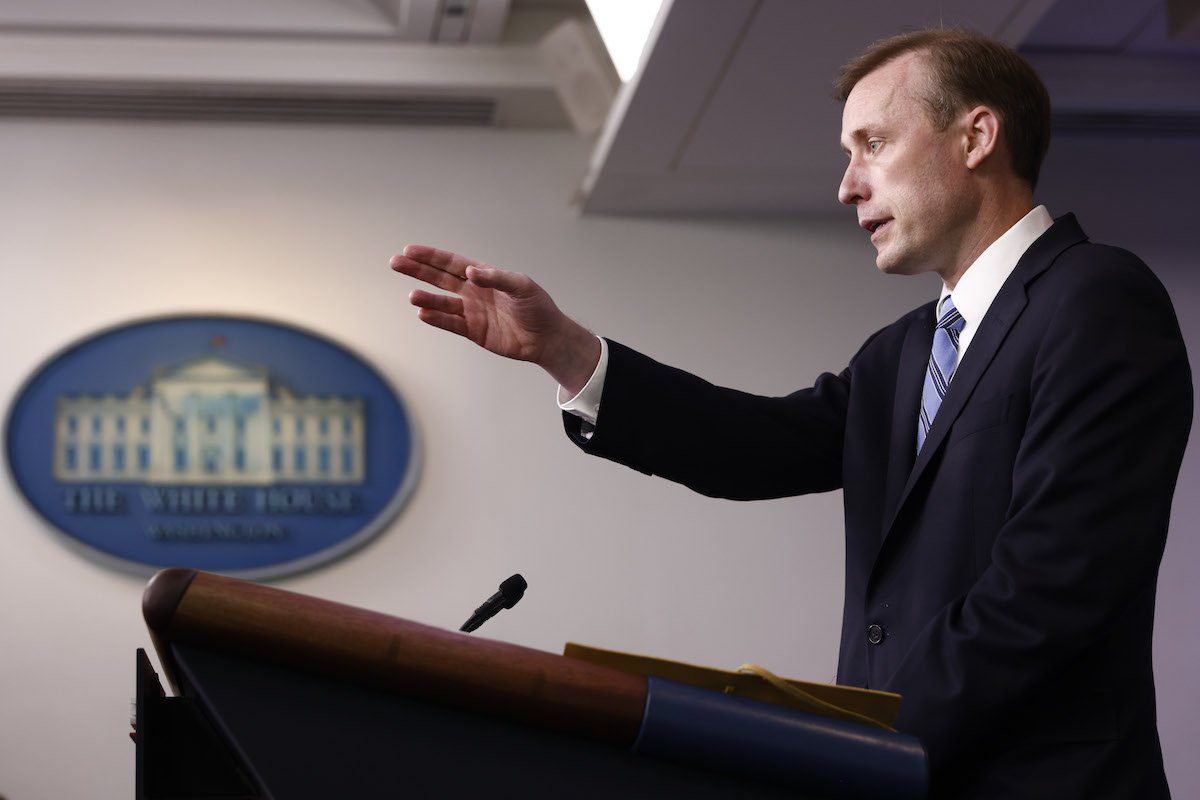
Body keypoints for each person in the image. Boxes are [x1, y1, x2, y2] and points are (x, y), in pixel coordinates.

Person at [390, 27, 1191, 800]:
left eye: (872, 144)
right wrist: (566, 352)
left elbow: (1051, 586)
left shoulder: (1096, 299)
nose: (847, 185)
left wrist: (858, 742)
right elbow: (753, 448)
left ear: (977, 136)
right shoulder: (903, 351)